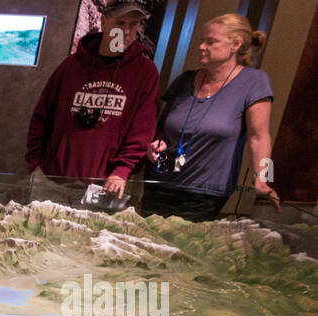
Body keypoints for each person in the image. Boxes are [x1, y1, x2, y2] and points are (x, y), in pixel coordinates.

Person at [143, 14, 281, 221]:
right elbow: (163, 129)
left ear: (235, 45)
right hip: (160, 183)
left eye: (211, 42)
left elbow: (259, 137)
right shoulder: (184, 80)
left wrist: (263, 179)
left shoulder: (254, 81)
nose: (201, 47)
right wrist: (157, 144)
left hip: (204, 193)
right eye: (202, 41)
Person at [26, 1, 159, 198]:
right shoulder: (71, 65)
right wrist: (35, 162)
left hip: (105, 186)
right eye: (120, 23)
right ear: (104, 22)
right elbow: (42, 115)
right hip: (51, 180)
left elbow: (142, 130)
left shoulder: (145, 72)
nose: (127, 31)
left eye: (133, 24)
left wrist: (122, 170)